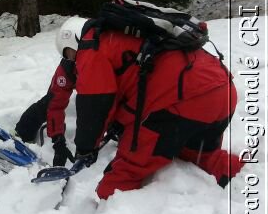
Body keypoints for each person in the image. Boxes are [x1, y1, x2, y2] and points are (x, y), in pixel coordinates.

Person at [69, 16, 243, 199]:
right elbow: (139, 88)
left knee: (120, 177)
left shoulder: (91, 48)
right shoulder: (126, 36)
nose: (71, 61)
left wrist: (85, 147)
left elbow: (95, 104)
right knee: (198, 153)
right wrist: (119, 123)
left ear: (73, 40)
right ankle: (247, 179)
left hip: (186, 102)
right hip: (222, 92)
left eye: (68, 54)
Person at [15, 17, 86, 166]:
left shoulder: (103, 62)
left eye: (72, 52)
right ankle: (22, 133)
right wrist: (58, 141)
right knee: (48, 102)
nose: (70, 58)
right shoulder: (68, 66)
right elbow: (55, 104)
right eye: (66, 54)